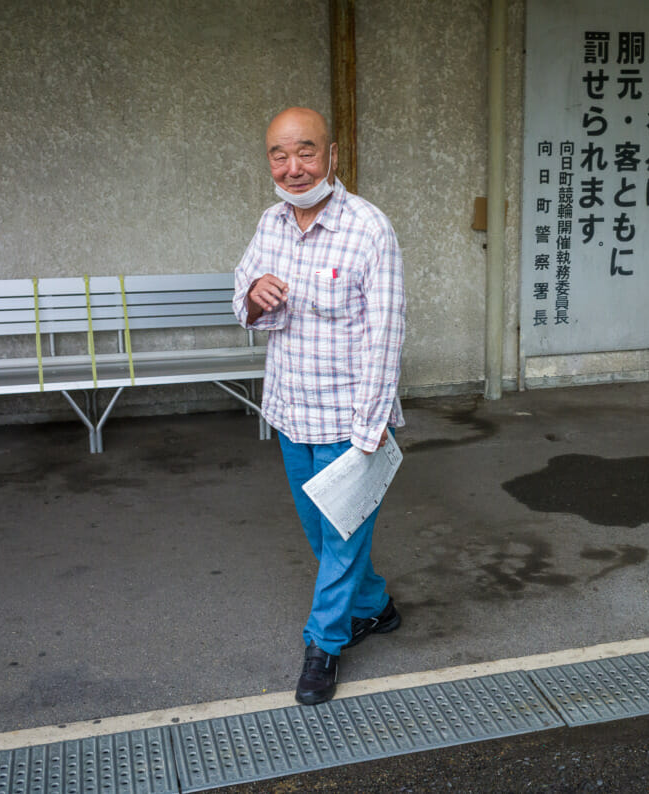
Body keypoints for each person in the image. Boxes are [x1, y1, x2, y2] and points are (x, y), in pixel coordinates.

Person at [233, 107, 406, 706]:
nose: (293, 167)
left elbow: (387, 335)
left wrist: (371, 428)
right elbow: (242, 299)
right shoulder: (271, 223)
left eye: (306, 151)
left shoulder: (368, 229)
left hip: (347, 419)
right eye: (279, 155)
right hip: (290, 412)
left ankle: (323, 645)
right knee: (324, 534)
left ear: (332, 156)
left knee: (341, 535)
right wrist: (254, 296)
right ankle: (376, 606)